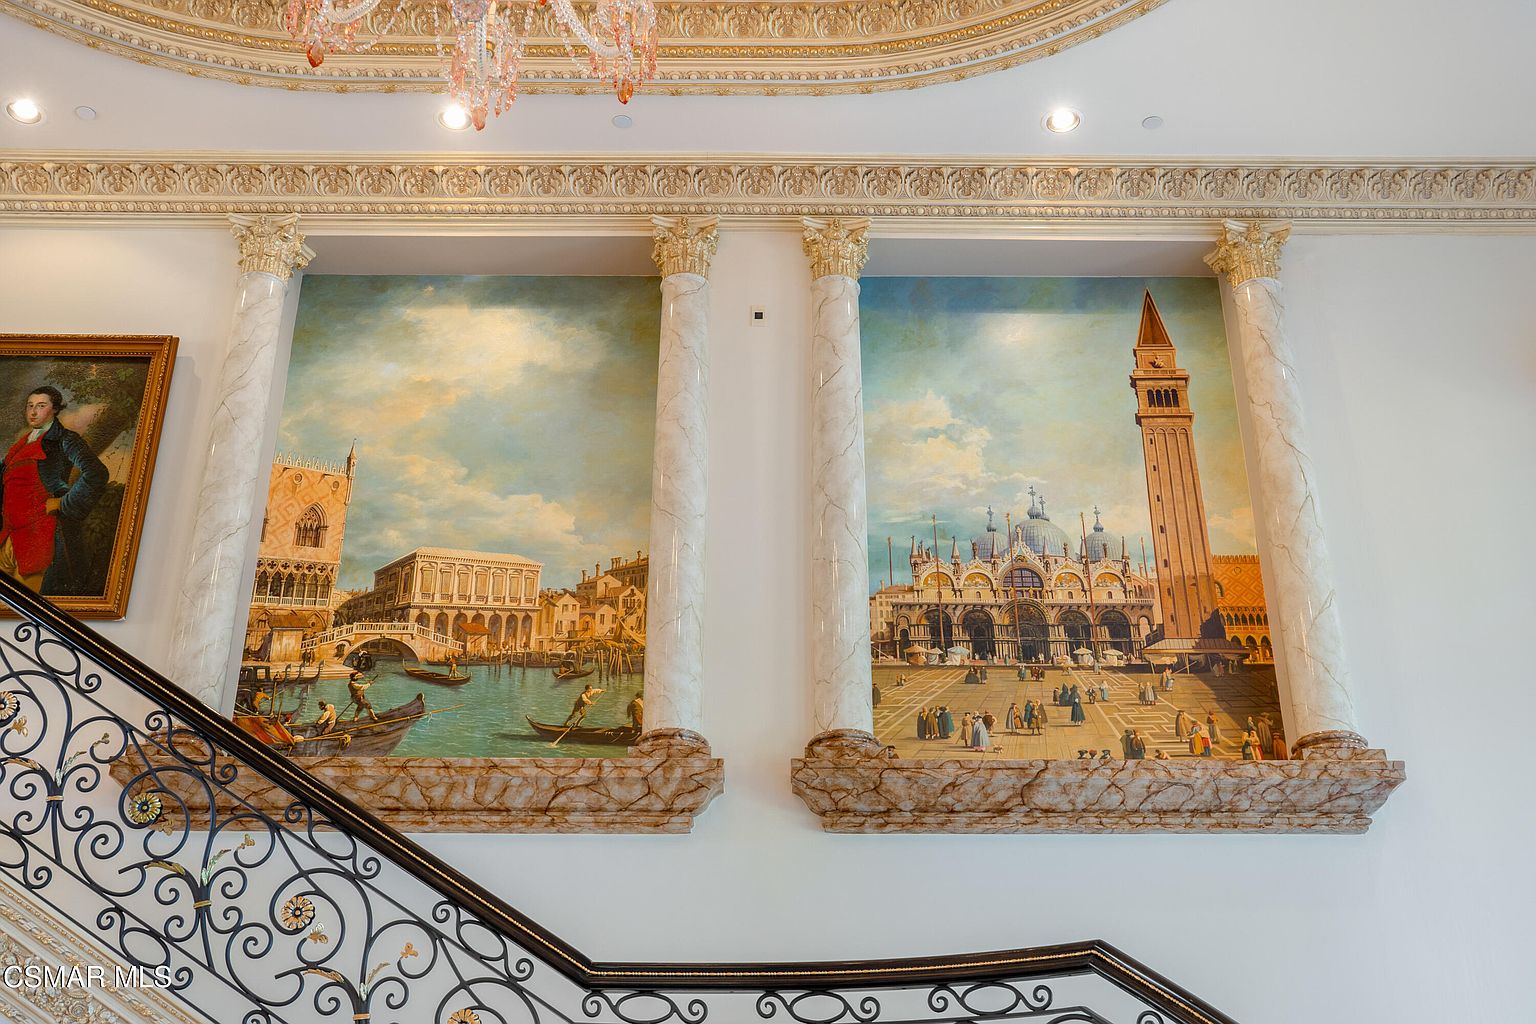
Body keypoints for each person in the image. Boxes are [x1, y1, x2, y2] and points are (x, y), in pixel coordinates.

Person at [0, 386, 109, 594]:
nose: (33, 412)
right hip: (7, 537)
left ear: (55, 409)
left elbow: (97, 473)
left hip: (38, 536)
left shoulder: (65, 439)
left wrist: (63, 502)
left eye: (41, 406)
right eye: (30, 406)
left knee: (25, 608)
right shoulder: (19, 445)